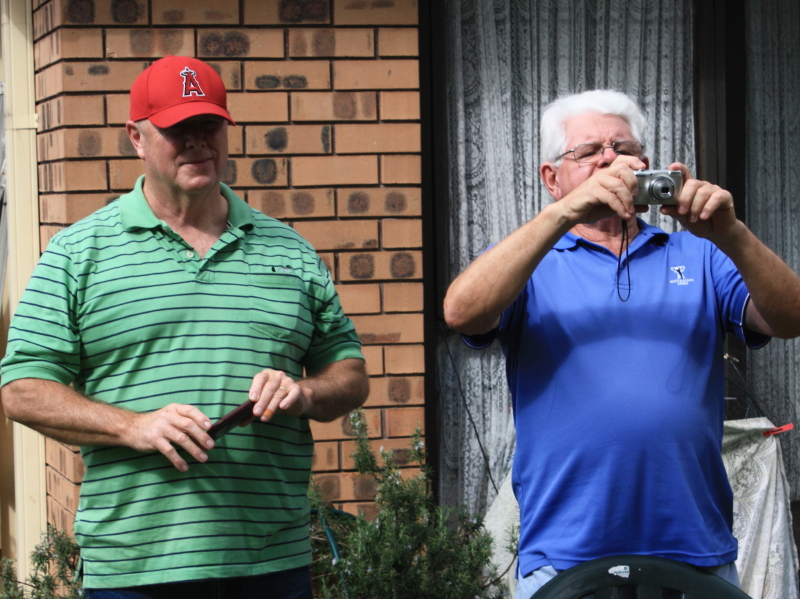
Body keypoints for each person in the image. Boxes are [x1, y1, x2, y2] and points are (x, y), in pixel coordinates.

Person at [1, 55, 369, 599]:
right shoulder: (78, 253)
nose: (198, 142)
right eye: (178, 129)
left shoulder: (290, 251)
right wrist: (134, 426)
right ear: (136, 138)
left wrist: (305, 391)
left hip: (271, 564)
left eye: (209, 126)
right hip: (134, 569)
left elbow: (351, 374)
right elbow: (23, 390)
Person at [443, 89, 800, 598]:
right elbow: (461, 311)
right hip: (566, 557)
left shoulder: (699, 254)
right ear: (552, 178)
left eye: (621, 148)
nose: (609, 160)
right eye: (588, 153)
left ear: (647, 167)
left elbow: (790, 318)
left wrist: (732, 235)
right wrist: (562, 216)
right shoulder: (529, 262)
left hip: (694, 552)